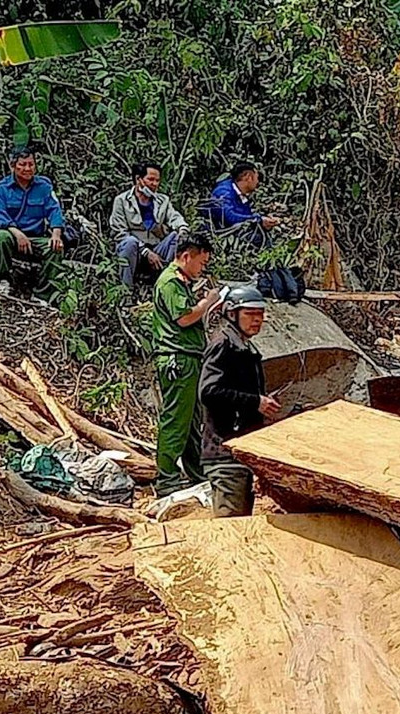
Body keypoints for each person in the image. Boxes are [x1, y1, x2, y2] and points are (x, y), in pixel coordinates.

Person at [198, 285, 280, 517]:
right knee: (230, 526)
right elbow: (208, 391)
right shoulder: (223, 345)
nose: (257, 319)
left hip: (239, 450)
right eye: (250, 313)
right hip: (225, 454)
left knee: (240, 521)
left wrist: (261, 402)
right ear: (232, 314)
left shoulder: (243, 346)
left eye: (260, 314)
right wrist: (255, 402)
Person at [152, 233, 223, 497]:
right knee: (176, 420)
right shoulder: (170, 282)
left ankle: (196, 472)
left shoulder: (182, 283)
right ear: (185, 257)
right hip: (178, 358)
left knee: (192, 421)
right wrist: (207, 302)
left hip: (190, 357)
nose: (202, 268)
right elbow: (183, 318)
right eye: (201, 262)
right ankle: (167, 478)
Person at [0, 148, 65, 304]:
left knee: (54, 248)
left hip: (36, 237)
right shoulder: (2, 188)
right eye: (23, 164)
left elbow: (54, 210)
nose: (27, 168)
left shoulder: (44, 186)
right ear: (13, 166)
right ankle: (4, 280)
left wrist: (56, 234)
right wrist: (17, 233)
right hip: (12, 235)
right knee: (1, 237)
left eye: (31, 164)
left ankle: (42, 295)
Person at [109, 161, 189, 290]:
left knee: (175, 236)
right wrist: (145, 252)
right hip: (135, 251)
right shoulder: (122, 201)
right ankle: (126, 290)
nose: (154, 184)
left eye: (157, 180)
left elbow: (174, 217)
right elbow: (120, 233)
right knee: (129, 242)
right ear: (138, 179)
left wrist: (182, 229)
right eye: (150, 180)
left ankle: (165, 283)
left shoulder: (163, 200)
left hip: (157, 248)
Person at [203, 161, 281, 246]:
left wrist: (263, 223)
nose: (257, 182)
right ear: (248, 177)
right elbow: (229, 217)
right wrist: (258, 220)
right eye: (257, 178)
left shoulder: (240, 193)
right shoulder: (223, 192)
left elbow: (245, 217)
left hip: (234, 232)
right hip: (221, 235)